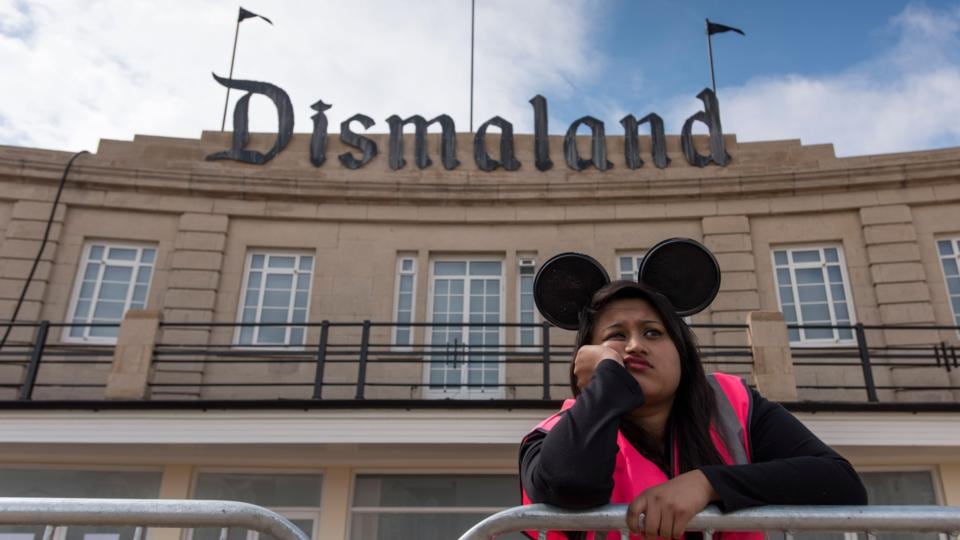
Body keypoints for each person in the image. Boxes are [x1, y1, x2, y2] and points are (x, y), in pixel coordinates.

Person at [520, 281, 867, 539]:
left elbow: (841, 484)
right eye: (616, 336)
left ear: (681, 352)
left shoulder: (733, 406)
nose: (636, 345)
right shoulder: (551, 436)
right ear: (587, 358)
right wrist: (605, 383)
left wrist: (709, 483)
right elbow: (571, 486)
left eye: (653, 333)